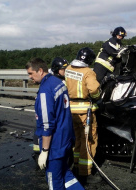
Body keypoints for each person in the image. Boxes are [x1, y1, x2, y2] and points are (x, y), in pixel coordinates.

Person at [26, 58, 84, 190]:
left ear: (40, 71)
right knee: (66, 175)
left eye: (30, 73)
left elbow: (47, 124)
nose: (30, 77)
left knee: (54, 181)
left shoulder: (45, 90)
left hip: (54, 146)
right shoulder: (59, 82)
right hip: (65, 140)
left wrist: (45, 151)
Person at [65, 47, 102, 184]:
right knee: (89, 141)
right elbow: (94, 90)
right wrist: (97, 97)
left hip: (71, 110)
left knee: (77, 139)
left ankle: (75, 164)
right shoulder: (88, 72)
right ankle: (85, 172)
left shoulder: (68, 68)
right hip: (85, 111)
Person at [32, 57, 69, 165]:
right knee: (43, 129)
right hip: (49, 117)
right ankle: (38, 154)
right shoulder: (55, 82)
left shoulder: (55, 81)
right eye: (64, 69)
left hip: (56, 119)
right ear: (57, 69)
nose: (66, 71)